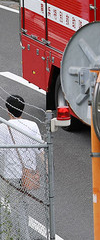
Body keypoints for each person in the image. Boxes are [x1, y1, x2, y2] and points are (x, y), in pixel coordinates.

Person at [0, 95, 43, 240]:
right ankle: (22, 235)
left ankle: (21, 236)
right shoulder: (32, 125)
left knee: (16, 206)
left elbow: (1, 152)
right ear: (22, 109)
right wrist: (48, 169)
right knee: (22, 204)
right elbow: (39, 149)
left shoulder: (4, 127)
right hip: (28, 173)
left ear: (8, 110)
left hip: (11, 174)